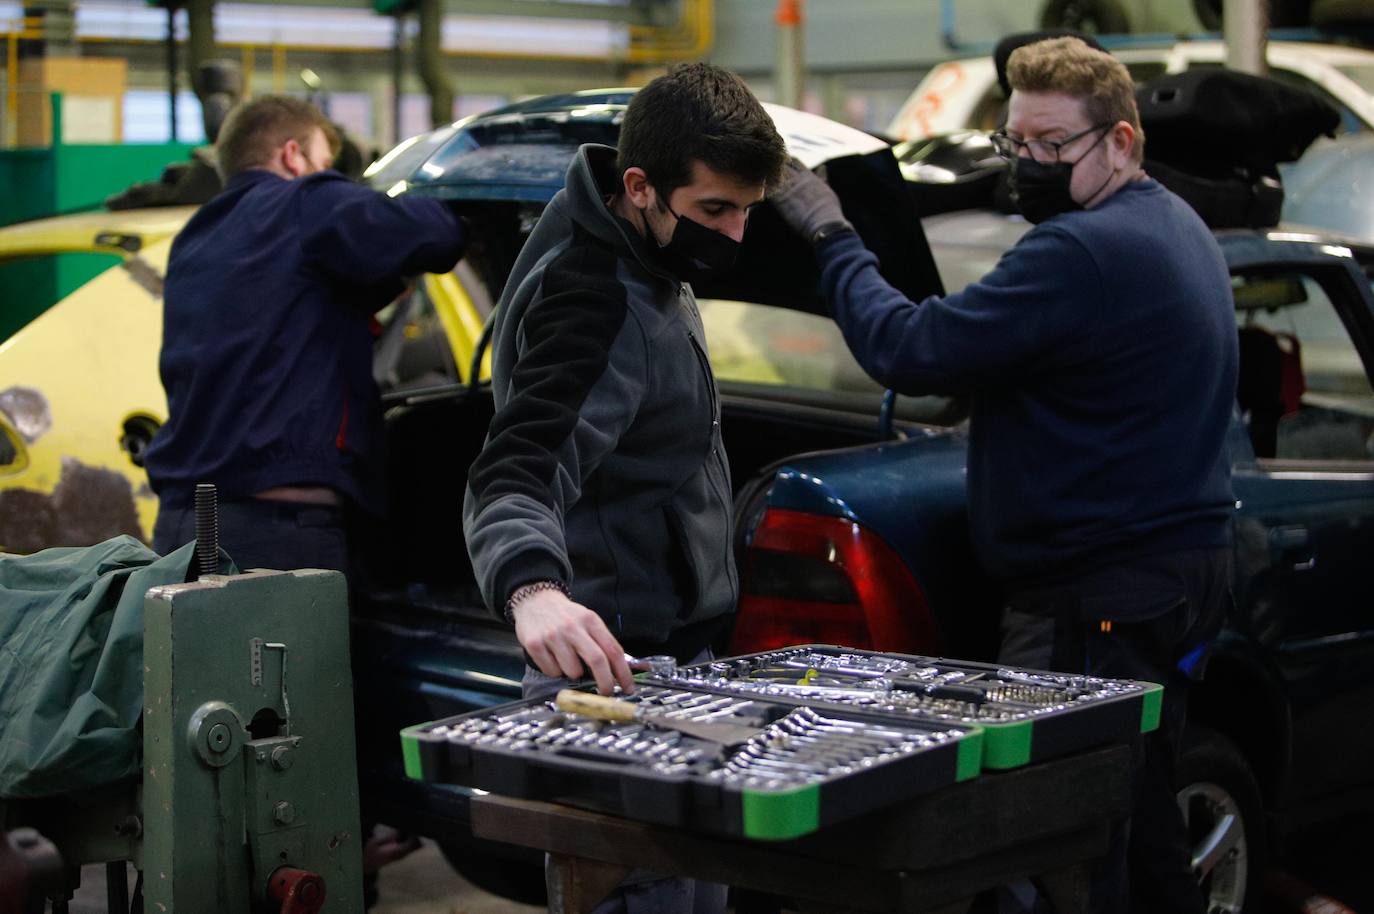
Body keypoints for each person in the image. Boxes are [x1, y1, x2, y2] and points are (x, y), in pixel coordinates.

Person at [771, 36, 1236, 914]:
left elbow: (909, 350)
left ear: (1123, 142)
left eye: (1051, 147)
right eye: (1013, 144)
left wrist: (829, 232)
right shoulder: (1173, 223)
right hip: (1173, 579)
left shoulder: (1081, 254)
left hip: (1095, 599)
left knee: (1063, 838)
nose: (1029, 165)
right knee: (1138, 810)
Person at [462, 62, 786, 914]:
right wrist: (530, 587)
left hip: (676, 669)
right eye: (716, 209)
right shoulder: (593, 297)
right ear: (639, 185)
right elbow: (514, 470)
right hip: (615, 684)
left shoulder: (644, 251)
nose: (736, 234)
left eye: (748, 210)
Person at [145, 95, 467, 577]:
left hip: (177, 528)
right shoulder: (304, 201)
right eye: (322, 165)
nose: (325, 177)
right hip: (275, 535)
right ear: (293, 156)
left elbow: (282, 306)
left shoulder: (197, 235)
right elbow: (440, 234)